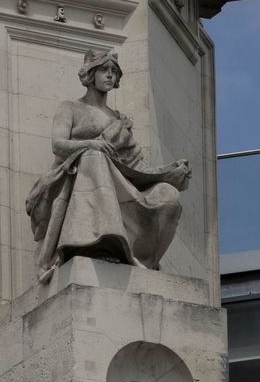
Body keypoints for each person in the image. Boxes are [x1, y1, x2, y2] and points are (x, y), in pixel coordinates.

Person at [25, 50, 191, 285]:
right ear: (90, 75)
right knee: (94, 157)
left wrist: (169, 171)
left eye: (114, 72)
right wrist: (92, 144)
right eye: (104, 70)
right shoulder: (71, 107)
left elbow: (136, 165)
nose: (110, 76)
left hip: (119, 182)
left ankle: (142, 261)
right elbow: (58, 145)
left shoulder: (119, 120)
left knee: (168, 195)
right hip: (74, 177)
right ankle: (99, 243)